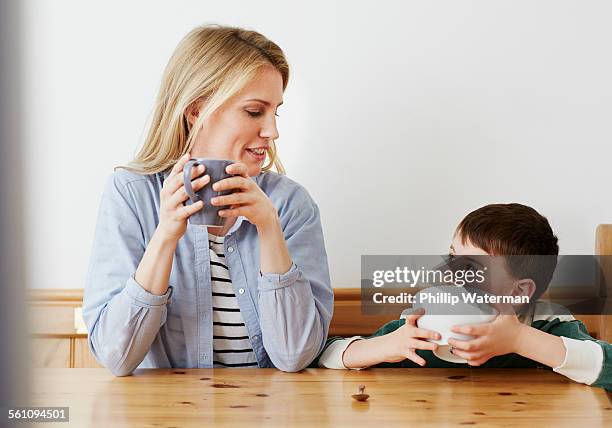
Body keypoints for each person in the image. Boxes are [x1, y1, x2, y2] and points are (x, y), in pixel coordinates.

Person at [83, 25, 333, 376]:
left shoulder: (291, 204)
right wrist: (166, 234)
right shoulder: (131, 194)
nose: (272, 131)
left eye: (275, 112)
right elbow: (116, 356)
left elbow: (295, 356)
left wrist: (269, 228)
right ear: (197, 109)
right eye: (254, 111)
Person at [317, 203, 611, 390]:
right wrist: (387, 346)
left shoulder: (546, 324)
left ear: (519, 291)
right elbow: (324, 354)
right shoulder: (423, 325)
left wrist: (520, 340)